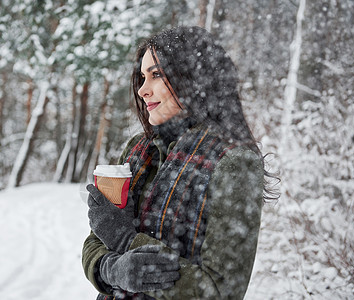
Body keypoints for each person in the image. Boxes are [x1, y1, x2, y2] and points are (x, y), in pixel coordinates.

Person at [82, 26, 277, 299]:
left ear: (194, 78)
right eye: (141, 77)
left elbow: (221, 291)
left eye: (156, 75)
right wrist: (111, 270)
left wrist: (127, 241)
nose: (142, 90)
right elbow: (97, 239)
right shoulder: (137, 150)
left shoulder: (234, 163)